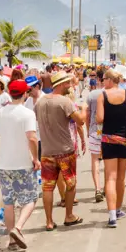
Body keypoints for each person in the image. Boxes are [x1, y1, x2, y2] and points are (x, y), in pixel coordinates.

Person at [35, 71, 86, 231]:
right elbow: (81, 121)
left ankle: (49, 221)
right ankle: (69, 215)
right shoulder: (65, 102)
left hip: (47, 151)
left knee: (48, 187)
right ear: (61, 84)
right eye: (68, 83)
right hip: (65, 150)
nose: (70, 85)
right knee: (71, 184)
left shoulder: (40, 103)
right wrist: (84, 108)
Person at [0, 80, 40, 250]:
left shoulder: (1, 113)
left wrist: (1, 153)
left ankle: (12, 241)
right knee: (30, 199)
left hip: (5, 163)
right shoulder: (27, 113)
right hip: (23, 163)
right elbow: (32, 138)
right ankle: (18, 228)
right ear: (25, 94)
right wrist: (35, 158)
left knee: (8, 202)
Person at [97, 69, 126, 228]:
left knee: (110, 178)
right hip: (124, 139)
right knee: (121, 177)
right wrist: (124, 115)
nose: (102, 82)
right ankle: (119, 208)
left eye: (104, 79)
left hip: (108, 138)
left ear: (109, 80)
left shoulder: (103, 96)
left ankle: (112, 215)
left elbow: (100, 119)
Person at [86, 69, 105, 203]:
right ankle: (107, 186)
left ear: (97, 79)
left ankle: (97, 188)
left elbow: (87, 114)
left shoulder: (92, 95)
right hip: (108, 131)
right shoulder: (112, 94)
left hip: (95, 130)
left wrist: (87, 130)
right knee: (109, 160)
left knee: (95, 160)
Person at [23, 75, 44, 158]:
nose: (28, 92)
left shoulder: (45, 99)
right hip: (32, 137)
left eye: (29, 90)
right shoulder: (28, 101)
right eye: (26, 91)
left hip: (43, 138)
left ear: (37, 86)